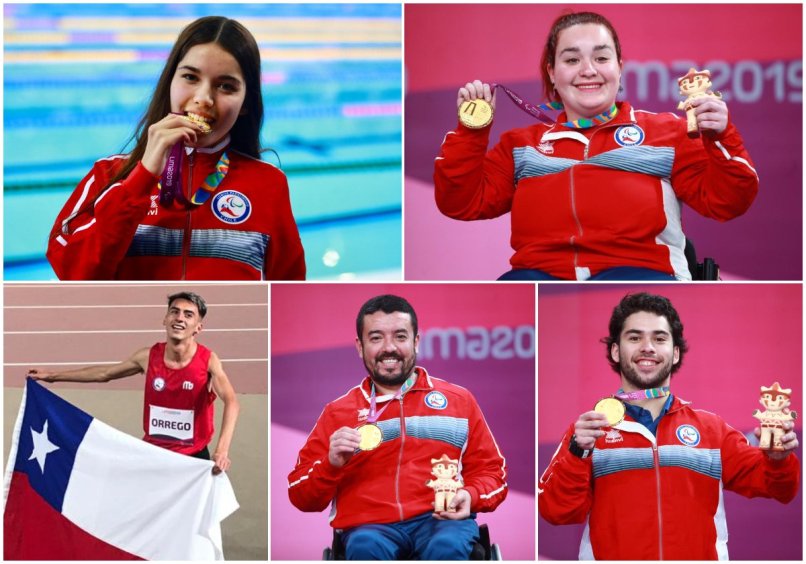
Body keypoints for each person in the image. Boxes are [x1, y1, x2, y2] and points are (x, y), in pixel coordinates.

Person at [434, 11, 759, 281]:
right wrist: (471, 131)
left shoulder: (667, 133)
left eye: (601, 57)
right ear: (552, 72)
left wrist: (720, 136)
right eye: (572, 59)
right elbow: (460, 202)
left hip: (642, 275)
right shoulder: (521, 146)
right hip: (539, 278)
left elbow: (728, 201)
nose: (588, 70)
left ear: (619, 66)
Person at [538, 293, 799, 559]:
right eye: (635, 337)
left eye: (659, 338)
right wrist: (578, 452)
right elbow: (556, 512)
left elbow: (779, 489)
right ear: (616, 350)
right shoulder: (588, 431)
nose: (647, 347)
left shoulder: (711, 429)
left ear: (675, 353)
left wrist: (778, 460)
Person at [47, 16, 305, 280]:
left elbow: (291, 296)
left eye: (226, 86)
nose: (203, 98)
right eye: (191, 77)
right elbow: (72, 273)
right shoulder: (110, 173)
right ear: (170, 82)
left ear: (246, 104)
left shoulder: (268, 184)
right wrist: (141, 177)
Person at [287, 295, 507, 560]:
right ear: (360, 346)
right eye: (376, 338)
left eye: (400, 337)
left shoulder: (459, 401)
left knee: (447, 546)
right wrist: (331, 464)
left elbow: (492, 473)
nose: (388, 348)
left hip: (442, 520)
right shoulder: (338, 413)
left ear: (416, 341)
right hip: (369, 527)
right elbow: (300, 495)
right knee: (365, 546)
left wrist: (470, 496)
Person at [28, 291, 240, 474]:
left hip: (194, 459)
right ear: (164, 319)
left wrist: (222, 449)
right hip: (152, 454)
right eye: (174, 311)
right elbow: (105, 373)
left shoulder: (208, 361)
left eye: (188, 314)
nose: (179, 318)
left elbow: (231, 402)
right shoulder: (147, 357)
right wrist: (53, 376)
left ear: (198, 328)